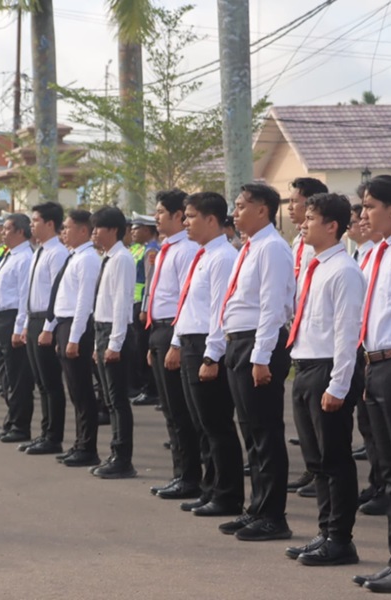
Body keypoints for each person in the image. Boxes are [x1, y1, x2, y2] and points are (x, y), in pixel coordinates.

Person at [282, 192, 364, 566]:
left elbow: (347, 333)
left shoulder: (343, 270)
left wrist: (338, 384)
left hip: (327, 369)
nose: (303, 224)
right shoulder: (315, 266)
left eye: (311, 218)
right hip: (305, 366)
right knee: (316, 461)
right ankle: (325, 532)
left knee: (335, 459)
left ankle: (341, 539)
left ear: (332, 226)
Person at [218, 183, 294, 542]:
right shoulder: (249, 247)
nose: (235, 213)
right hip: (239, 343)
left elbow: (273, 306)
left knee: (265, 433)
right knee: (251, 432)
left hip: (258, 344)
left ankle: (273, 516)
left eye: (240, 206)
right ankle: (257, 508)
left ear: (262, 210)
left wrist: (261, 357)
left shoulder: (273, 248)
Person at [171, 192, 244, 516]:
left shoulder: (223, 257)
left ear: (211, 220)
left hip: (206, 345)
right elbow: (188, 303)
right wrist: (177, 341)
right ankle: (210, 487)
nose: (185, 222)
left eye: (190, 216)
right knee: (202, 424)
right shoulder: (202, 254)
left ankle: (227, 495)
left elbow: (219, 311)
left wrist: (212, 356)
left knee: (217, 425)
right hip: (190, 342)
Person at [147, 189, 202, 501]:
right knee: (169, 409)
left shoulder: (185, 251)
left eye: (160, 212)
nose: (156, 217)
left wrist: (176, 343)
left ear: (178, 215)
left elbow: (186, 300)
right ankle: (179, 473)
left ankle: (190, 477)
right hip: (160, 330)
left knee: (181, 412)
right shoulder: (166, 249)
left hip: (174, 330)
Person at [353, 175, 391, 592]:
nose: (363, 215)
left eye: (370, 206)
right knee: (387, 467)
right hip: (376, 364)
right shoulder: (379, 253)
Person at [50, 209, 102, 467]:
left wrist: (74, 337)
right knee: (75, 391)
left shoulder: (88, 259)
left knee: (82, 391)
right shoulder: (75, 256)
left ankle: (88, 448)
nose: (63, 232)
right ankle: (80, 443)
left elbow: (84, 302)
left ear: (83, 230)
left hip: (76, 326)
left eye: (67, 228)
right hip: (65, 325)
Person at [287, 177, 328, 497]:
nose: (290, 207)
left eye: (295, 201)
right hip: (299, 335)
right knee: (304, 417)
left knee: (321, 421)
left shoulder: (324, 248)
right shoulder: (297, 242)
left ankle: (323, 475)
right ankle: (313, 469)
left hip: (320, 341)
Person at [90, 206, 137, 479]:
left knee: (118, 400)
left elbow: (122, 303)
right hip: (103, 330)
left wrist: (114, 344)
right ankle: (115, 454)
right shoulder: (108, 258)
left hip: (113, 331)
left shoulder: (122, 259)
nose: (94, 232)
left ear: (114, 230)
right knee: (109, 399)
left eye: (99, 227)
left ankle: (122, 457)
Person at [19, 202, 70, 456]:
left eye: (36, 221)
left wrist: (49, 327)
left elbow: (56, 294)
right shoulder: (39, 251)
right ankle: (44, 432)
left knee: (51, 383)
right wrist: (25, 324)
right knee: (41, 382)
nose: (32, 225)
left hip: (47, 321)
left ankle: (53, 437)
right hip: (34, 320)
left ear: (50, 224)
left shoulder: (57, 253)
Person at [0, 213, 35, 443]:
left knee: (18, 377)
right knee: (6, 375)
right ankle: (11, 421)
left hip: (11, 318)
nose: (2, 233)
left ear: (20, 232)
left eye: (6, 229)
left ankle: (20, 426)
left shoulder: (25, 257)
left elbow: (25, 296)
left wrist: (19, 327)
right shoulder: (10, 255)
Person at [129, 213, 160, 407]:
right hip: (137, 301)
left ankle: (151, 390)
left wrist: (145, 308)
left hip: (142, 303)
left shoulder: (152, 250)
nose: (132, 232)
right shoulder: (142, 249)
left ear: (147, 230)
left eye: (136, 229)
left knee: (143, 348)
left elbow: (150, 281)